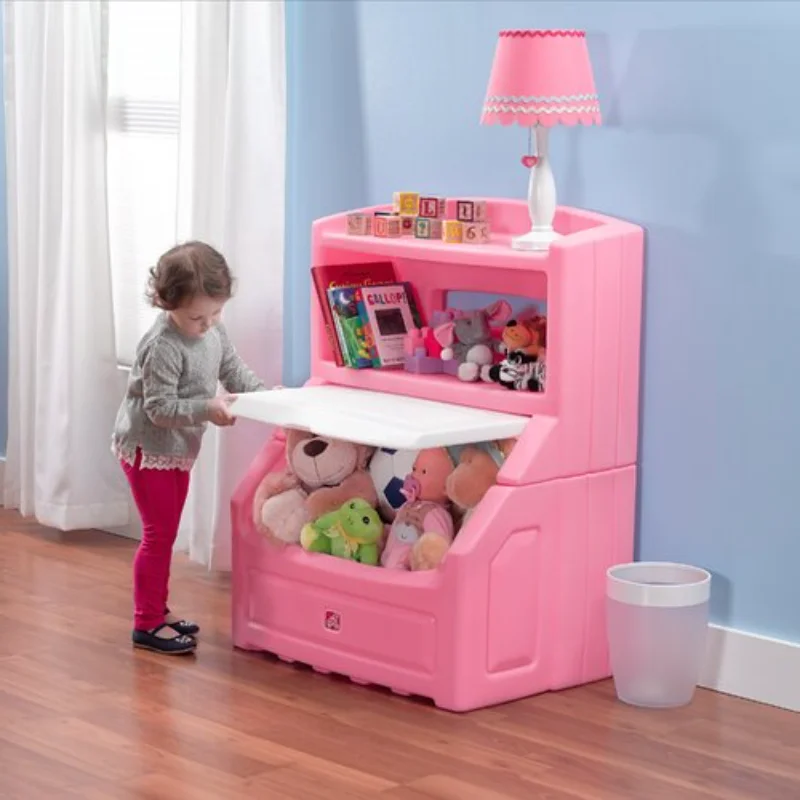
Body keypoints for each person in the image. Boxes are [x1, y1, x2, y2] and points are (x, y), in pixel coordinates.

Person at [112, 241, 265, 655]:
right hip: (148, 449)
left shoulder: (212, 330)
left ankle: (157, 611)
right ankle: (146, 623)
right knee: (158, 535)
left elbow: (232, 369)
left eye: (216, 313)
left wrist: (268, 398)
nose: (208, 324)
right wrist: (207, 409)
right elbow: (159, 409)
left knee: (165, 531)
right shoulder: (163, 345)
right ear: (167, 302)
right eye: (197, 317)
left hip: (178, 448)